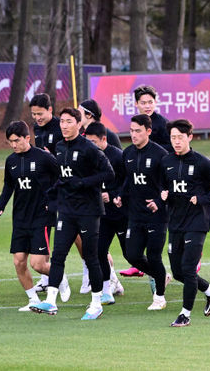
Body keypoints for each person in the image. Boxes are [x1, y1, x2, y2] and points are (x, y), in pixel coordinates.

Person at [29, 108, 114, 319]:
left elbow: (108, 173)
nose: (64, 125)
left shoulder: (89, 148)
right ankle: (50, 301)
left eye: (69, 121)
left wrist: (83, 183)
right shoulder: (58, 147)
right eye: (62, 122)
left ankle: (96, 303)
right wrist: (55, 189)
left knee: (91, 257)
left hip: (88, 210)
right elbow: (65, 175)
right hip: (66, 210)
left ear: (78, 124)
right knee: (58, 255)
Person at [0, 121, 71, 311]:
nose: (13, 145)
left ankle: (59, 276)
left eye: (17, 140)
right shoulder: (10, 161)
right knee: (18, 261)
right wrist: (1, 206)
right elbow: (8, 185)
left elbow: (62, 178)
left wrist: (53, 202)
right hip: (20, 217)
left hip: (42, 216)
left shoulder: (44, 157)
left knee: (38, 264)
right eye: (10, 141)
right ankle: (33, 300)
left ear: (28, 138)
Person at [160, 119, 210, 327]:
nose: (176, 141)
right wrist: (163, 195)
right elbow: (164, 186)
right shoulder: (166, 161)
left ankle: (185, 314)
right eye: (173, 138)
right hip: (175, 221)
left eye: (180, 137)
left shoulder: (202, 162)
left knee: (188, 269)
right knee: (178, 271)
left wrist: (202, 199)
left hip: (197, 222)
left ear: (189, 137)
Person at [115, 114, 172, 310]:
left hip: (157, 215)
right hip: (135, 214)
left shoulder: (160, 154)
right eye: (131, 131)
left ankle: (160, 297)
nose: (133, 135)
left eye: (138, 131)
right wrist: (120, 195)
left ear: (148, 131)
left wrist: (158, 201)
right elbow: (128, 180)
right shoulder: (128, 153)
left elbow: (168, 186)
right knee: (132, 255)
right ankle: (160, 275)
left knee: (154, 256)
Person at [83, 123, 126, 300]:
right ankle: (107, 290)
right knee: (99, 250)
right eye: (88, 141)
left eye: (93, 142)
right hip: (101, 214)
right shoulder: (87, 157)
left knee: (131, 254)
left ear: (104, 139)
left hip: (121, 213)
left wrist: (113, 194)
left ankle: (157, 276)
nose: (90, 145)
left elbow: (127, 182)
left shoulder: (118, 156)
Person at [134, 85, 173, 152]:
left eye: (150, 102)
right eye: (143, 103)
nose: (147, 106)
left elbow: (172, 146)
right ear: (136, 104)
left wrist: (151, 148)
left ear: (155, 102)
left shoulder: (163, 123)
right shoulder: (135, 122)